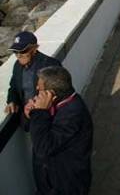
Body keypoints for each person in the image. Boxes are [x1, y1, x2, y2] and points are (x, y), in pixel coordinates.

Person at [25, 66, 93, 195]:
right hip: (53, 179)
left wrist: (39, 113)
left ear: (51, 94)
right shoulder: (63, 102)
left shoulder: (73, 114)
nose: (37, 89)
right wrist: (33, 114)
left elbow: (43, 148)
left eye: (40, 87)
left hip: (66, 184)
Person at [4, 31, 61, 117]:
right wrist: (12, 101)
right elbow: (13, 87)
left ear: (34, 49)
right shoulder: (17, 65)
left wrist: (35, 107)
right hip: (25, 118)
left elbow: (57, 93)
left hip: (46, 117)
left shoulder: (51, 65)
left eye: (23, 51)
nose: (19, 55)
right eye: (15, 51)